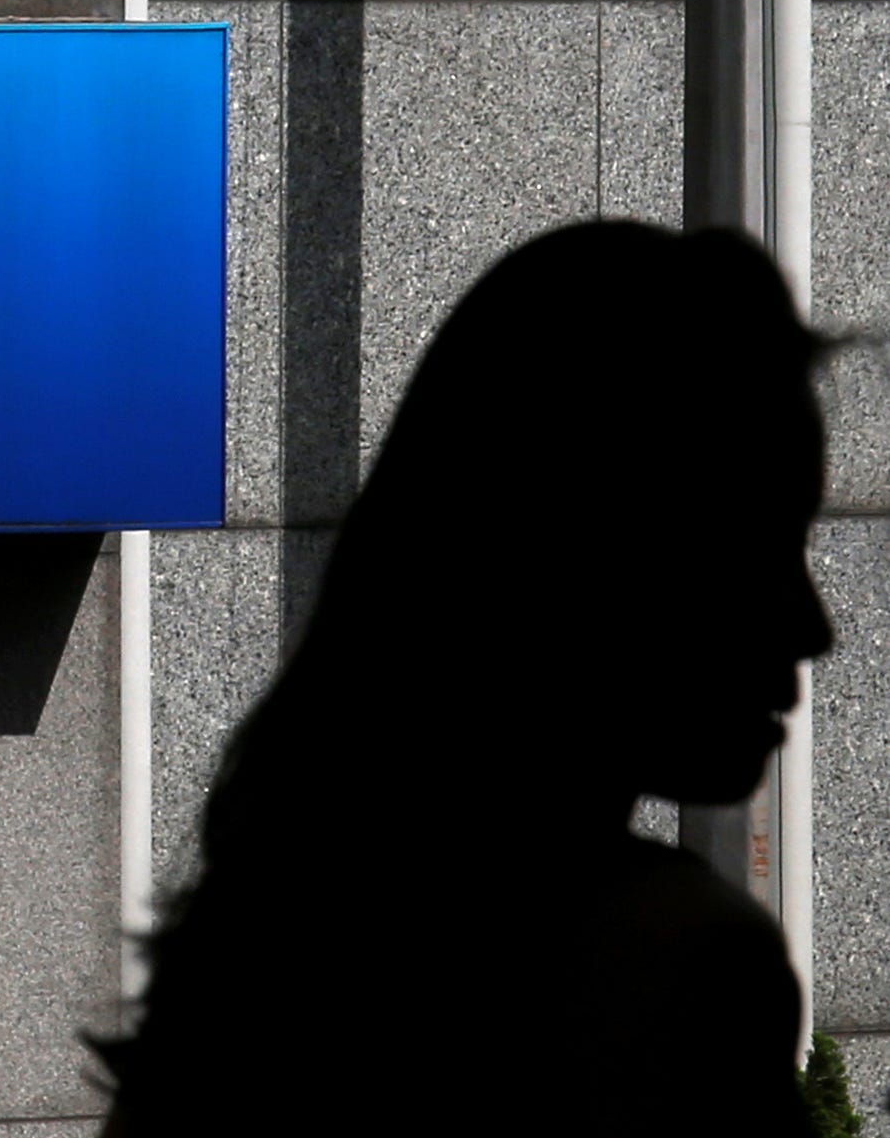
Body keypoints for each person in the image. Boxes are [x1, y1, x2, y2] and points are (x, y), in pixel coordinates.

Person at [94, 221, 835, 1137]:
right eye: (756, 548)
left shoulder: (270, 946)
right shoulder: (670, 970)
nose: (815, 627)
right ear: (591, 555)